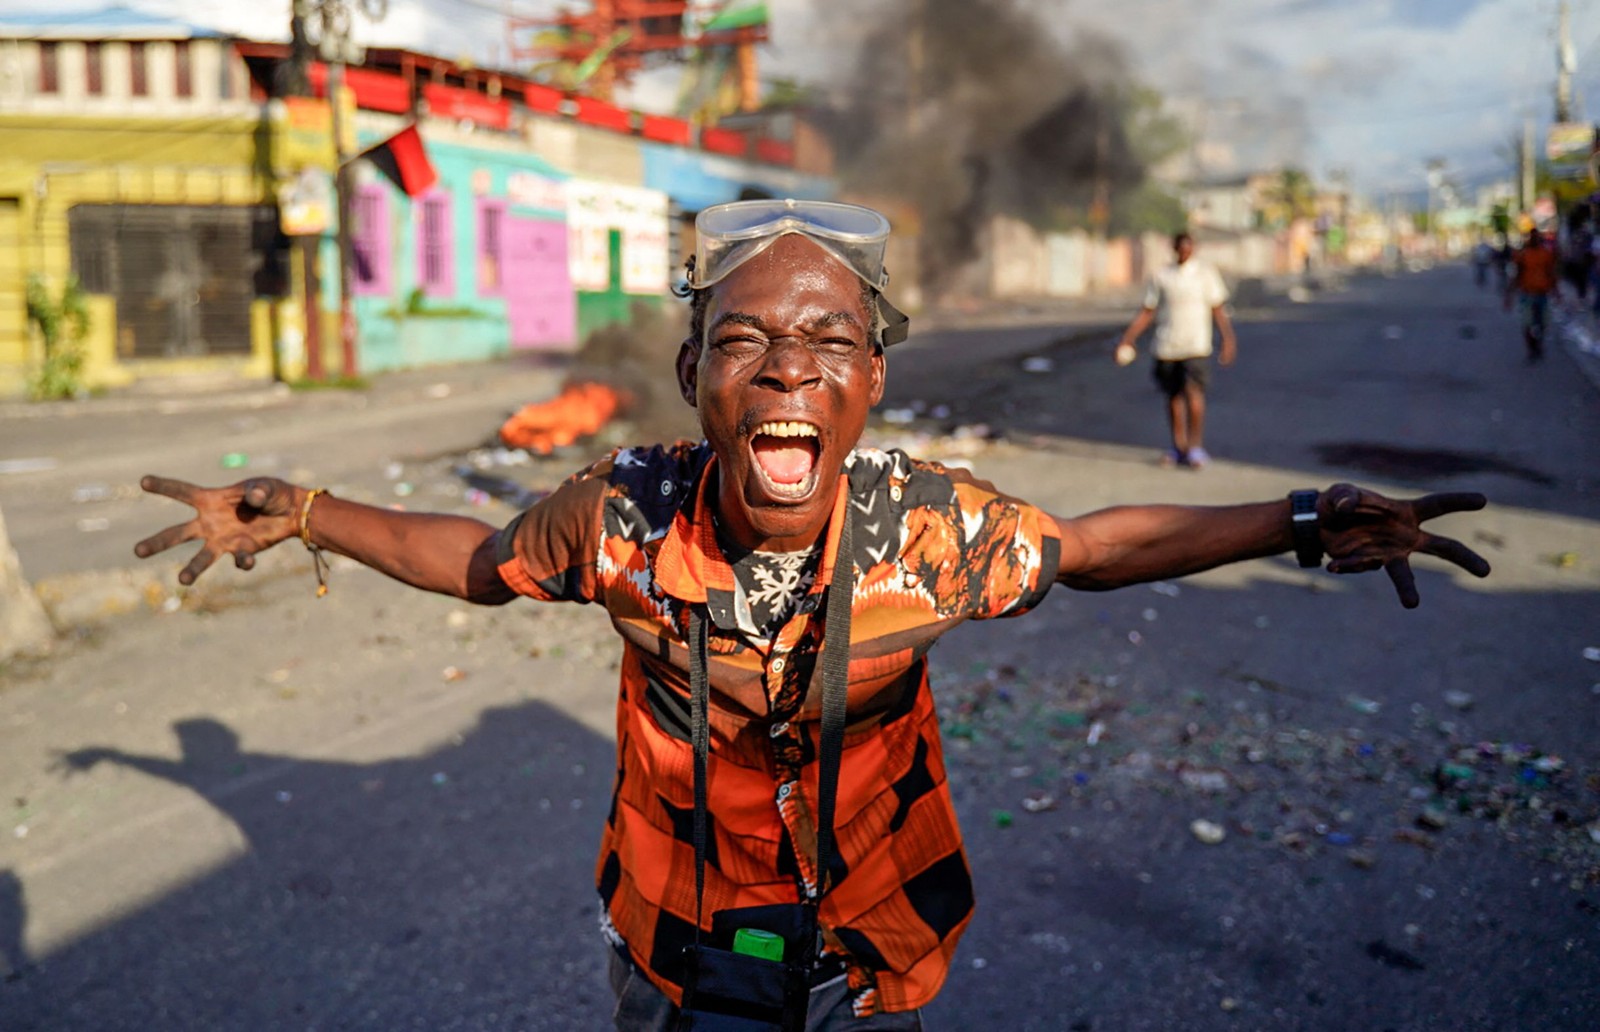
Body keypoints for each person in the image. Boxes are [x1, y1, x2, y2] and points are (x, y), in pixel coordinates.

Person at [133, 199, 1492, 1031]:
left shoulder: (930, 527)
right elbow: (476, 558)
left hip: (870, 933)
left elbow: (1089, 547)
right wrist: (307, 509)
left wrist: (1298, 520)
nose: (788, 361)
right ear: (692, 375)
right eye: (745, 339)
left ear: (872, 381)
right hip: (669, 936)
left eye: (829, 338)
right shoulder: (619, 516)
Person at [1114, 232, 1238, 469]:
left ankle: (1195, 447)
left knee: (1194, 394)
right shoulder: (1162, 276)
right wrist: (1127, 339)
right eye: (1180, 247)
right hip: (1167, 345)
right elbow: (1147, 310)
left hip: (1196, 345)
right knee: (1173, 397)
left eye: (1188, 247)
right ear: (1174, 249)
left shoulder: (1205, 275)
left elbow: (1218, 309)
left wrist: (1228, 340)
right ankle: (1178, 446)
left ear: (1193, 249)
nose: (1184, 251)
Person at [1505, 226, 1561, 363]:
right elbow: (1516, 275)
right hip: (1527, 294)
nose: (1535, 239)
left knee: (1542, 323)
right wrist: (1509, 295)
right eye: (1532, 236)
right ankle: (1531, 349)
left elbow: (1551, 274)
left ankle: (1538, 345)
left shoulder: (1546, 254)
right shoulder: (1523, 255)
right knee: (1527, 323)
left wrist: (1556, 292)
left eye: (1537, 236)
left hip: (1542, 293)